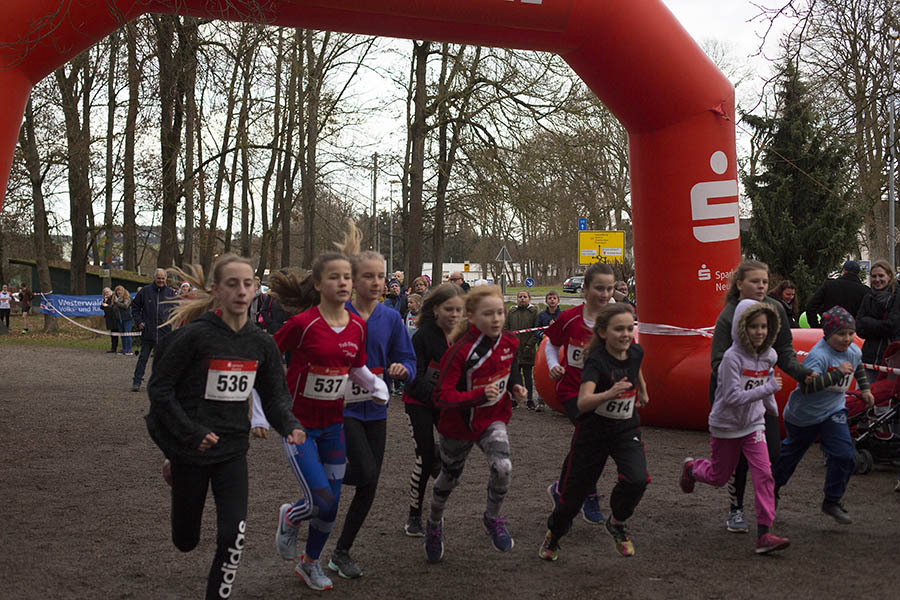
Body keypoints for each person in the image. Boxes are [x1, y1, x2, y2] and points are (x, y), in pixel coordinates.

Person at [144, 254, 306, 600]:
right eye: (233, 284)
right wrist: (190, 433)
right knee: (185, 541)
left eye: (248, 283)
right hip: (192, 447)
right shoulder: (195, 337)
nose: (242, 291)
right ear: (216, 290)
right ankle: (175, 467)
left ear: (256, 290)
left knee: (234, 536)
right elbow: (159, 390)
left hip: (233, 450)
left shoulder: (261, 343)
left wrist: (289, 424)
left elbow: (275, 396)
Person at [266, 254, 389, 592]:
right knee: (320, 498)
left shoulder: (357, 326)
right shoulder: (302, 323)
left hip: (334, 425)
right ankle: (290, 515)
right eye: (334, 277)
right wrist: (266, 407)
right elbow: (268, 354)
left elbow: (357, 368)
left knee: (331, 502)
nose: (344, 283)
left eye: (347, 277)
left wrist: (376, 388)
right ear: (319, 285)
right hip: (298, 426)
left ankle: (310, 563)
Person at [328, 227, 416, 579]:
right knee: (363, 470)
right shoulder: (338, 312)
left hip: (376, 409)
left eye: (381, 276)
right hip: (342, 407)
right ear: (353, 279)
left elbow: (407, 359)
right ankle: (321, 479)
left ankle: (341, 551)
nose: (377, 282)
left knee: (370, 483)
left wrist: (402, 369)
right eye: (369, 276)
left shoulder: (392, 318)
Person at [539, 303, 650, 561]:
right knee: (572, 497)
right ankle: (554, 534)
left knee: (638, 479)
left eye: (629, 328)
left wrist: (642, 390)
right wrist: (609, 394)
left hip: (625, 427)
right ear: (603, 333)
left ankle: (618, 522)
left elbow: (636, 367)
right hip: (594, 431)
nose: (625, 334)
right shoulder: (596, 362)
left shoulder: (635, 351)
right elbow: (583, 402)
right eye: (618, 329)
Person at [424, 285, 527, 563]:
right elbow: (441, 396)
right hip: (458, 425)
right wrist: (477, 395)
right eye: (488, 314)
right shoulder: (459, 352)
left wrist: (516, 385)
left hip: (492, 419)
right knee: (449, 479)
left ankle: (492, 518)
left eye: (500, 313)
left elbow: (511, 363)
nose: (496, 319)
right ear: (470, 316)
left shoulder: (510, 340)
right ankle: (434, 523)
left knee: (503, 467)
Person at [709, 260, 813, 533]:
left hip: (761, 395)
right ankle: (736, 509)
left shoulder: (775, 309)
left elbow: (786, 354)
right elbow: (717, 362)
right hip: (729, 396)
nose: (761, 286)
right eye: (755, 281)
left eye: (765, 282)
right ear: (739, 284)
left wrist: (804, 374)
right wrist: (744, 373)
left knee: (774, 453)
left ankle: (767, 504)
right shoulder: (728, 315)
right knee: (737, 462)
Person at [680, 299, 790, 554]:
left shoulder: (770, 355)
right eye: (753, 326)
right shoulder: (731, 358)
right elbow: (732, 398)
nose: (760, 332)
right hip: (726, 425)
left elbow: (765, 393)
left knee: (764, 474)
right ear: (742, 327)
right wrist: (768, 388)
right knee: (719, 477)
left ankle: (764, 534)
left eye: (764, 326)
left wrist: (772, 411)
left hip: (754, 425)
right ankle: (692, 468)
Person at [772, 306, 874, 524]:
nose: (846, 339)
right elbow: (807, 387)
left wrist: (865, 390)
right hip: (803, 415)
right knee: (790, 457)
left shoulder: (854, 351)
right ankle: (771, 490)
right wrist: (837, 374)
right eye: (840, 334)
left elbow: (858, 369)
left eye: (849, 333)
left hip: (833, 411)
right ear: (827, 334)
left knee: (845, 454)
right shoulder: (818, 356)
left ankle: (832, 500)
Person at [544, 263, 619, 525]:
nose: (604, 294)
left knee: (588, 443)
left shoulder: (616, 320)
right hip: (571, 391)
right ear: (584, 289)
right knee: (591, 436)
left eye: (609, 289)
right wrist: (553, 364)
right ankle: (588, 492)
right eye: (599, 288)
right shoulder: (570, 318)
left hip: (601, 394)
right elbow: (552, 345)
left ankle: (562, 489)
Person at [401, 283, 465, 537]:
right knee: (424, 457)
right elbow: (413, 378)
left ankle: (440, 455)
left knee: (454, 455)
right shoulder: (423, 336)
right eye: (448, 309)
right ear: (435, 310)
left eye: (459, 310)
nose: (454, 315)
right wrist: (440, 396)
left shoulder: (463, 336)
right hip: (418, 402)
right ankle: (414, 515)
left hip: (445, 403)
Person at [131, 268, 178, 392]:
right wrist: (139, 321)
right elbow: (134, 307)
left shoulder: (170, 293)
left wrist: (173, 323)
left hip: (164, 333)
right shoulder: (145, 292)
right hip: (148, 332)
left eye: (163, 278)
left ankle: (161, 384)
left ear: (166, 279)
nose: (161, 280)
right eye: (159, 278)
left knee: (163, 361)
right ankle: (136, 381)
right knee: (143, 358)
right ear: (154, 278)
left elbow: (176, 310)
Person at [856, 260, 900, 383]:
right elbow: (859, 328)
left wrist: (868, 322)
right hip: (870, 358)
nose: (877, 279)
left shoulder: (897, 297)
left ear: (889, 276)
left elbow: (892, 327)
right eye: (874, 276)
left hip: (892, 358)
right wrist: (880, 326)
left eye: (881, 276)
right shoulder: (868, 297)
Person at [805, 260, 870, 329]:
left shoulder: (829, 285)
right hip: (853, 333)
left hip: (830, 330)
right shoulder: (865, 291)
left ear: (844, 271)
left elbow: (811, 307)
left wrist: (817, 327)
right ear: (858, 273)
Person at [505, 290, 538, 409]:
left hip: (528, 349)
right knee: (515, 375)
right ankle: (515, 398)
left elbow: (536, 330)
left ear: (529, 298)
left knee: (528, 375)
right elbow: (507, 329)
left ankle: (529, 399)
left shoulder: (534, 312)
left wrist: (529, 345)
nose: (522, 299)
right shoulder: (512, 312)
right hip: (514, 350)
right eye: (520, 297)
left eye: (524, 297)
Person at [534, 290, 563, 412]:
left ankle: (558, 400)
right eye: (550, 298)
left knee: (557, 373)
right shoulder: (541, 315)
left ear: (558, 301)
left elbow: (565, 330)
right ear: (546, 301)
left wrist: (555, 327)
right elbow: (536, 330)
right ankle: (541, 401)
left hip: (559, 349)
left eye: (554, 298)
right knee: (542, 373)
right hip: (543, 349)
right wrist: (543, 335)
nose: (552, 300)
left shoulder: (562, 314)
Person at [114, 285, 134, 355]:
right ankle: (124, 349)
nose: (119, 292)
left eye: (120, 290)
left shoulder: (127, 298)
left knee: (127, 333)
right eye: (117, 290)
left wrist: (117, 303)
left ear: (124, 291)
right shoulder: (116, 298)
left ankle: (129, 350)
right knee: (122, 334)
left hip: (127, 319)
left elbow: (125, 306)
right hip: (119, 319)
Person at [100, 287, 119, 353]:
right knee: (112, 334)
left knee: (116, 334)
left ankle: (116, 348)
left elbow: (114, 307)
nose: (106, 293)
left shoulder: (114, 297)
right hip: (109, 319)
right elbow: (101, 307)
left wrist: (107, 305)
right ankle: (113, 348)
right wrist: (104, 301)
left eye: (107, 292)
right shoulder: (106, 299)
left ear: (110, 292)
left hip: (115, 319)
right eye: (105, 292)